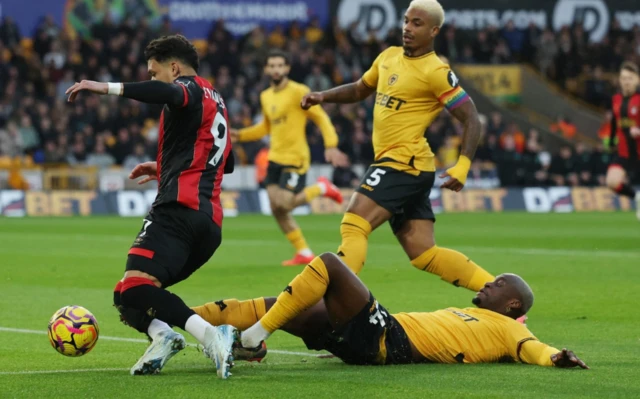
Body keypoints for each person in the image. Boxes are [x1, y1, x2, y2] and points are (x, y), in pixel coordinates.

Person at [300, 1, 499, 302]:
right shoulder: (388, 57)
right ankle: (503, 295)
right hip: (408, 165)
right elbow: (359, 89)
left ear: (434, 31)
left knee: (354, 224)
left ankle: (336, 318)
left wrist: (463, 164)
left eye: (417, 23)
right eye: (406, 21)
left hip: (403, 162)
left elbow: (470, 116)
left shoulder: (435, 71)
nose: (407, 28)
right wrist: (322, 96)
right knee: (423, 253)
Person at [65, 35, 236, 378]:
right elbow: (225, 163)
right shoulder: (216, 100)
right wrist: (163, 166)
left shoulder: (186, 88)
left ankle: (211, 335)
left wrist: (105, 88)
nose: (152, 79)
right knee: (127, 294)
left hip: (177, 211)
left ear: (174, 67)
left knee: (134, 288)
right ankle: (163, 337)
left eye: (154, 73)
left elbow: (170, 93)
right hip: (209, 225)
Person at [197, 253, 588, 376]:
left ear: (513, 304)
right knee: (290, 307)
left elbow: (534, 349)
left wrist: (556, 357)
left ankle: (251, 338)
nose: (487, 284)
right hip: (378, 339)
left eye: (498, 283)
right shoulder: (483, 318)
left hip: (389, 339)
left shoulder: (509, 330)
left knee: (331, 265)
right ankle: (184, 319)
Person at [231, 50, 348, 266]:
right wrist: (240, 135)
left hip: (296, 158)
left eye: (279, 65)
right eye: (272, 65)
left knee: (284, 203)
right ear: (267, 69)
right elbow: (266, 127)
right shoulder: (265, 96)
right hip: (274, 158)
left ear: (287, 68)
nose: (276, 69)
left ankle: (322, 188)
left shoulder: (298, 92)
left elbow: (320, 118)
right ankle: (303, 251)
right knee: (277, 208)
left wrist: (331, 145)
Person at [606, 61, 640, 219]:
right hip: (624, 152)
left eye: (630, 78)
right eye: (623, 78)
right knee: (611, 182)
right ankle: (637, 197)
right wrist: (612, 140)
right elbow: (614, 121)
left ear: (637, 80)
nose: (626, 82)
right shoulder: (616, 100)